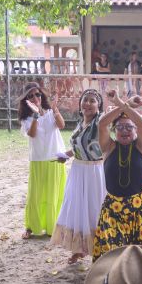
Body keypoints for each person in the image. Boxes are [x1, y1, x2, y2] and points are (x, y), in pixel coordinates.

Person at [92, 92, 142, 261]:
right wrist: (126, 103)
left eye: (129, 127)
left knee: (141, 257)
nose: (124, 130)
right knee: (113, 255)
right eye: (119, 127)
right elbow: (102, 124)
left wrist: (121, 103)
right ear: (114, 131)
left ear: (135, 131)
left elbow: (141, 123)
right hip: (113, 211)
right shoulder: (108, 147)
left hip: (141, 210)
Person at [51, 89, 107, 264]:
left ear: (99, 106)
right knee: (77, 209)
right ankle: (79, 248)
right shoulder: (80, 123)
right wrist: (65, 155)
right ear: (80, 104)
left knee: (94, 210)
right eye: (85, 100)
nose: (88, 104)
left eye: (92, 101)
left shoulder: (102, 123)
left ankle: (100, 249)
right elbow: (78, 148)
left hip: (95, 172)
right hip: (77, 171)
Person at [18, 83, 66, 239]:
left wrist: (55, 111)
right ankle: (32, 226)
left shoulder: (51, 111)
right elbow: (32, 134)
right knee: (35, 195)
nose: (35, 98)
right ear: (26, 100)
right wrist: (36, 115)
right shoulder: (26, 118)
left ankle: (54, 227)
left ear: (41, 96)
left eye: (37, 94)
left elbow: (61, 125)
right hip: (38, 159)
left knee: (54, 194)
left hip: (54, 158)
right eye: (30, 96)